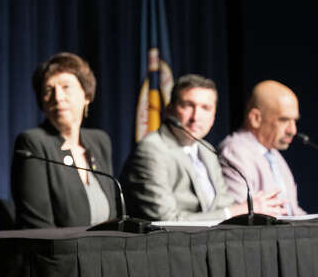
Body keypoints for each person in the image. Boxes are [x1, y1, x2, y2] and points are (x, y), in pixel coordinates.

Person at [121, 74, 285, 222]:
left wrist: (250, 210)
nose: (196, 117)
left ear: (213, 116)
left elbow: (223, 204)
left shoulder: (206, 150)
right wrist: (235, 211)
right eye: (188, 105)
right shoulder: (152, 150)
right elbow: (166, 220)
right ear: (170, 109)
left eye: (205, 108)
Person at [11, 52, 117, 228]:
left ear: (87, 96)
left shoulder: (100, 141)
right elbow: (37, 229)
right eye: (48, 90)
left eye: (66, 87)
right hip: (58, 254)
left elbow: (114, 217)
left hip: (105, 252)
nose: (58, 97)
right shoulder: (33, 144)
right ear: (42, 102)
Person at [218, 80, 306, 215]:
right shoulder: (235, 152)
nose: (292, 130)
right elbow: (242, 217)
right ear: (256, 118)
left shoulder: (274, 155)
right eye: (284, 120)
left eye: (294, 121)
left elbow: (293, 212)